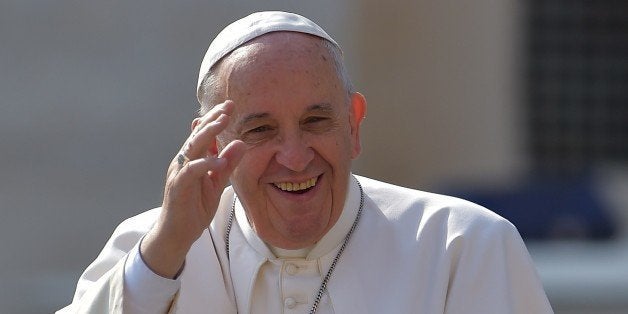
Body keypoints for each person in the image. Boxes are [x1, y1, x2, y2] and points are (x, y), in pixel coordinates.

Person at [58, 11, 553, 314]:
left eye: (316, 122)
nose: (294, 158)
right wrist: (163, 254)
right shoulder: (154, 248)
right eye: (260, 130)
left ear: (354, 125)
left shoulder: (463, 247)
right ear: (209, 145)